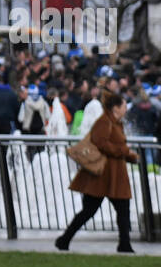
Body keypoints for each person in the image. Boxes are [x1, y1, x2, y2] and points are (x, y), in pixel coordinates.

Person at [56, 91, 139, 253]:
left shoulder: (115, 122)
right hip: (103, 175)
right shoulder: (105, 122)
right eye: (123, 106)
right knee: (90, 210)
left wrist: (130, 156)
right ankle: (64, 239)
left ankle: (124, 243)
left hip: (112, 175)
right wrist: (122, 151)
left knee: (120, 210)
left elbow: (113, 146)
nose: (125, 109)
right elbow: (100, 143)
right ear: (115, 108)